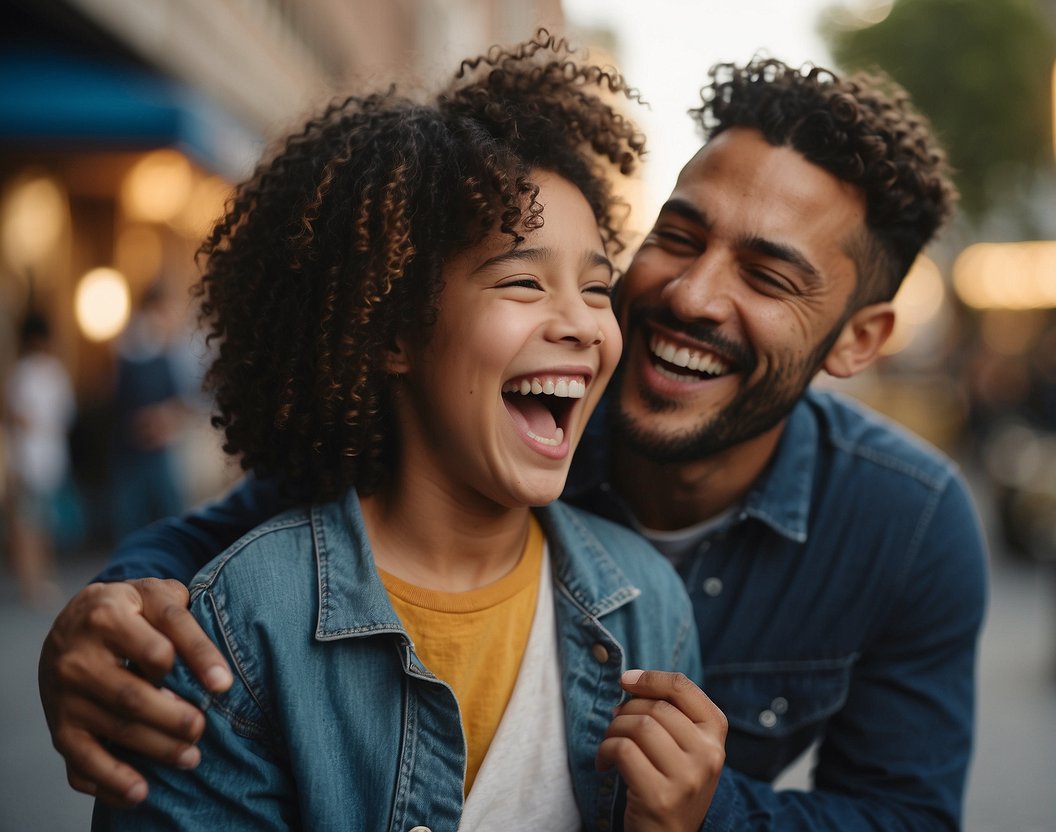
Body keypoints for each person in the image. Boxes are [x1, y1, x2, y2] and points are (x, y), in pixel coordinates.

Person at [43, 53, 987, 830]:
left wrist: (704, 817)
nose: (693, 296)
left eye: (768, 276)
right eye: (678, 236)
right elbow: (263, 541)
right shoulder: (490, 414)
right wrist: (108, 612)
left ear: (857, 340)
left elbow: (903, 816)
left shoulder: (907, 522)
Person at [88, 34, 720, 831]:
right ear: (390, 332)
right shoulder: (239, 632)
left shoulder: (648, 609)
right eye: (523, 281)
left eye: (596, 287)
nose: (582, 325)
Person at [4, 312, 74, 606]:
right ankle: (37, 579)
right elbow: (66, 415)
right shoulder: (54, 372)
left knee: (30, 524)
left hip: (30, 459)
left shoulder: (22, 373)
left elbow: (13, 416)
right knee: (38, 523)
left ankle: (32, 580)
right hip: (47, 458)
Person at [109, 282, 188, 539]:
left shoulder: (164, 353)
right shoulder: (131, 352)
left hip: (157, 448)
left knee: (166, 512)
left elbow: (177, 400)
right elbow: (119, 404)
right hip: (134, 449)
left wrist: (165, 421)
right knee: (135, 518)